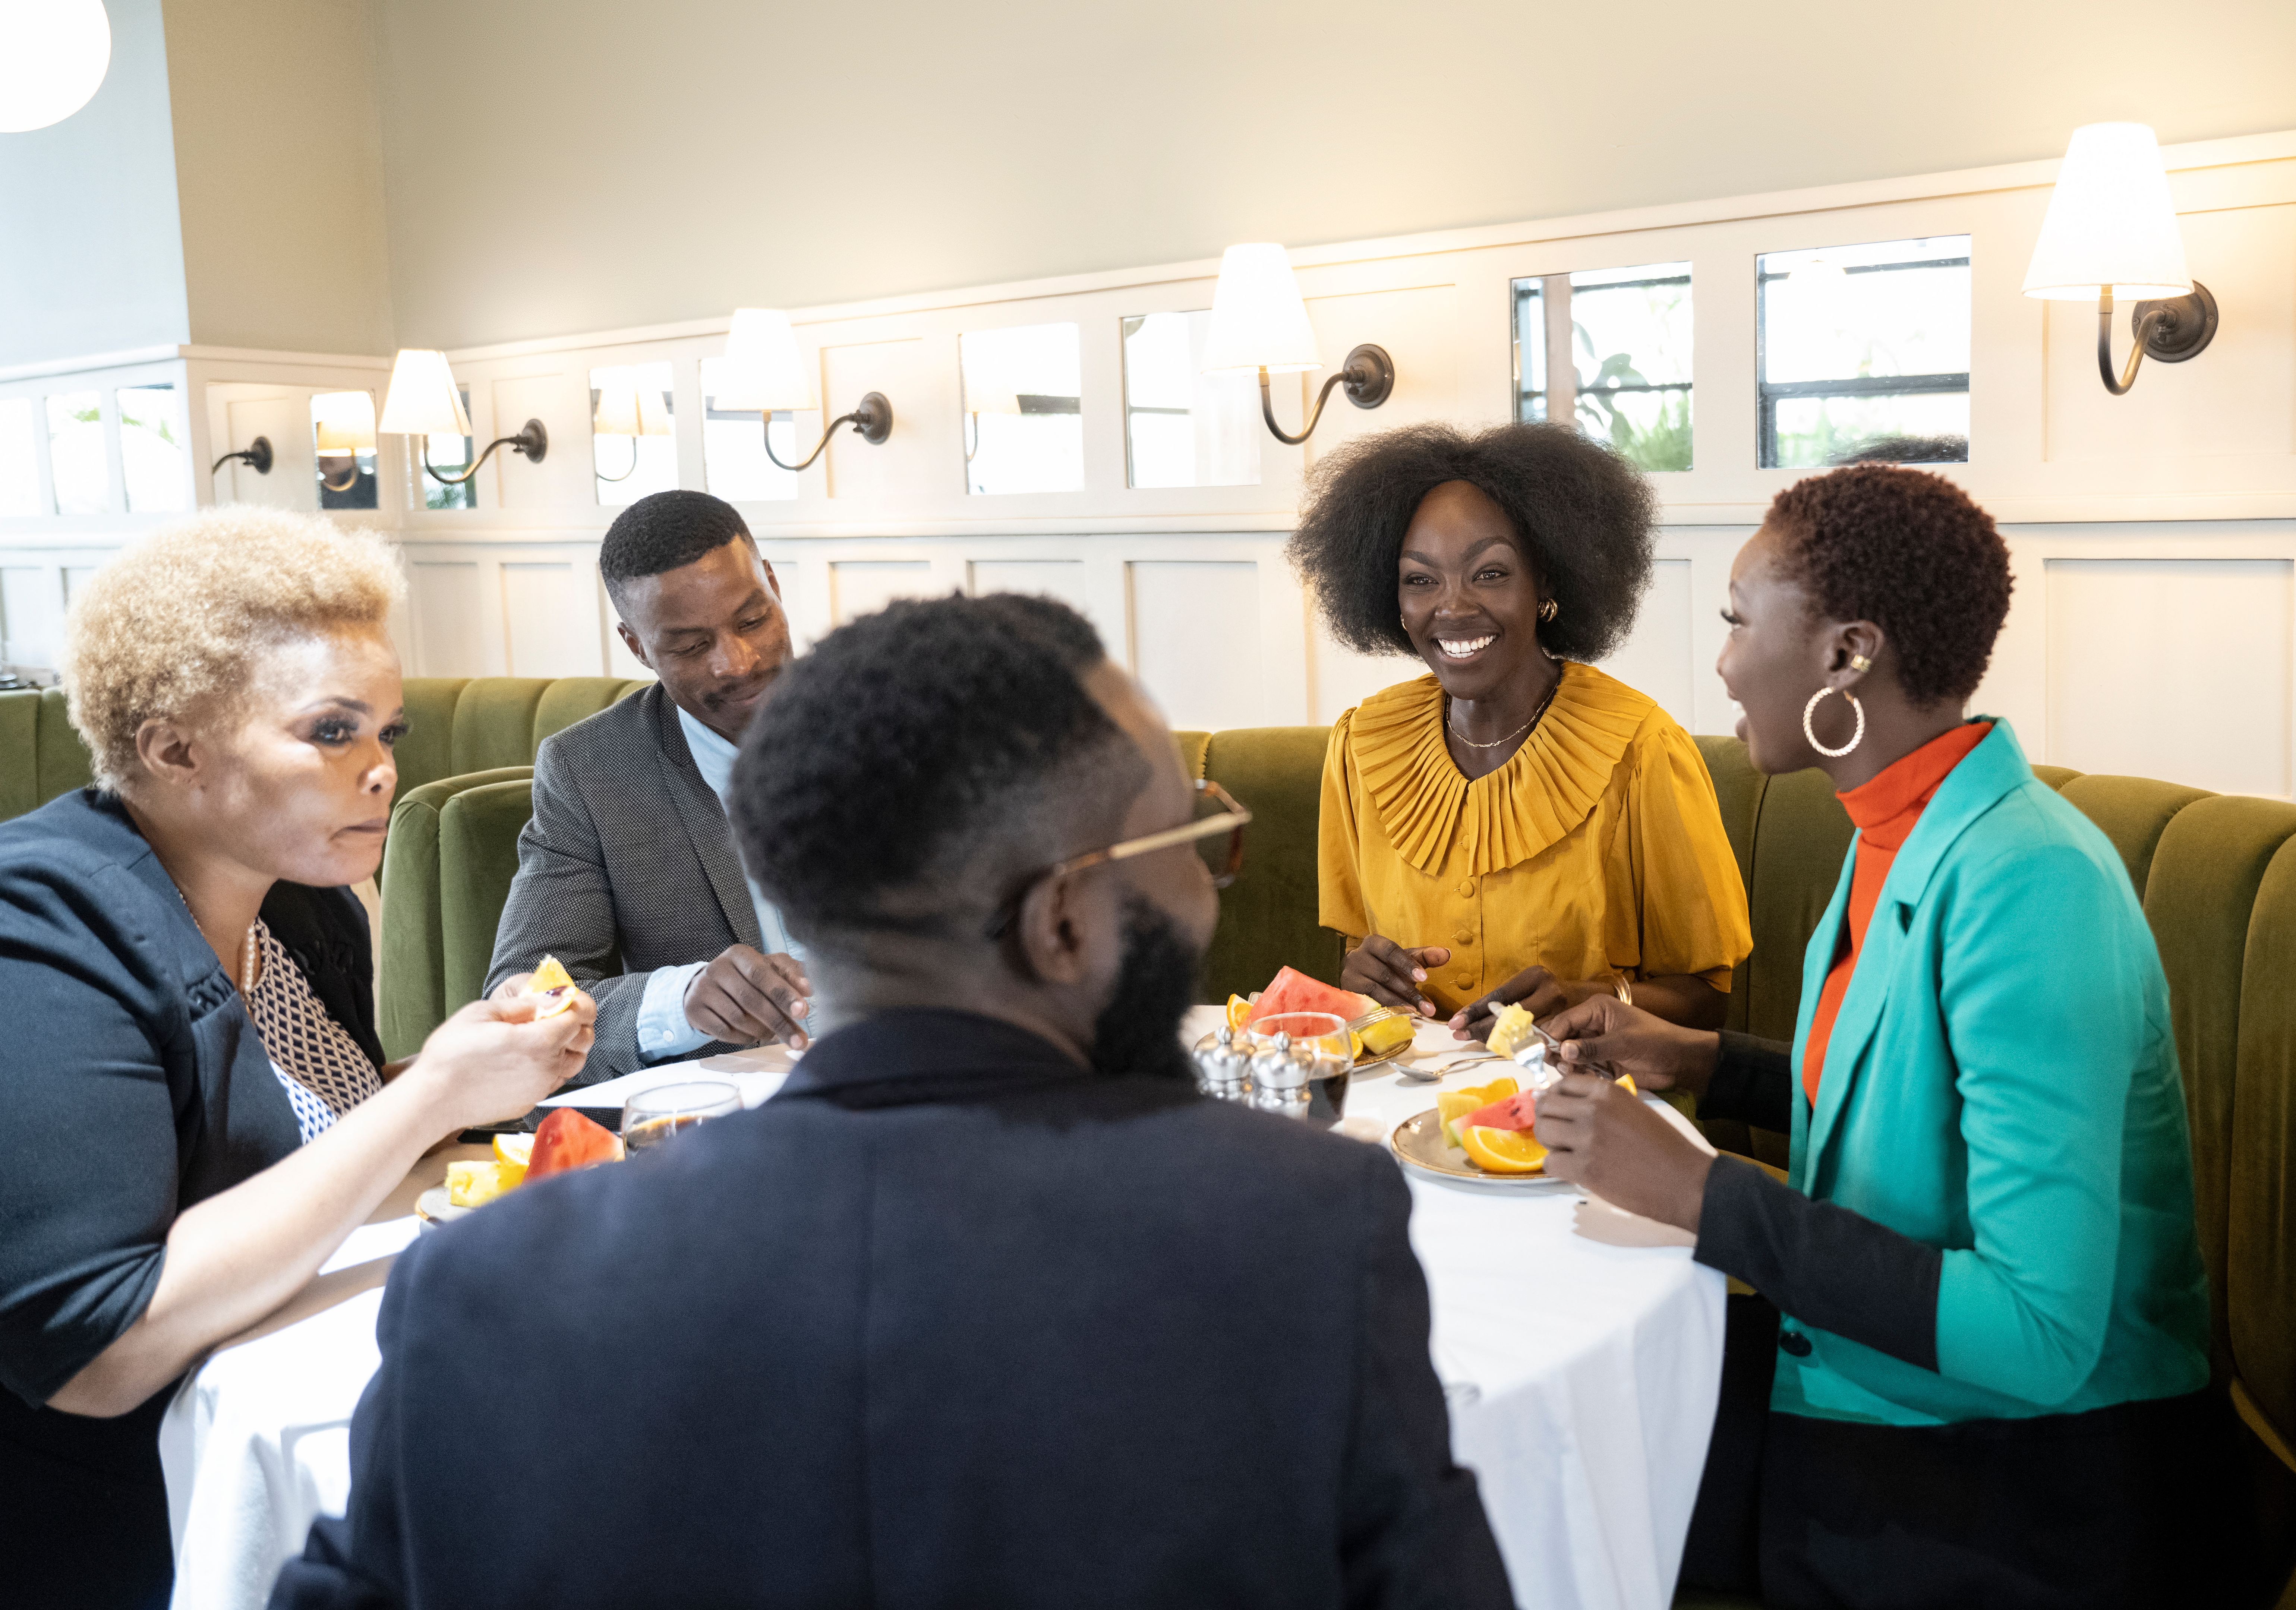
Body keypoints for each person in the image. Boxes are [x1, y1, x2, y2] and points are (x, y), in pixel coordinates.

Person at [272, 593, 1513, 1610]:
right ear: (1065, 917)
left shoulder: (485, 1289)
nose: (1205, 891)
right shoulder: (1300, 1236)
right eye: (1190, 841)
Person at [1528, 464, 2217, 1607]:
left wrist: (1700, 1198)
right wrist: (1693, 1060)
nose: (1724, 660)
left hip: (2025, 1481)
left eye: (1738, 620)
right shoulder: (1898, 826)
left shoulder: (2030, 881)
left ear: (1849, 654)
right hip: (1880, 1384)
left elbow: (2035, 1332)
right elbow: (1900, 1105)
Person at [0, 509, 593, 1610]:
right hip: (130, 1524)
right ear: (174, 750)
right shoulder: (40, 930)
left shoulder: (306, 906)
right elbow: (98, 1351)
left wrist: (486, 1077)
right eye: (332, 732)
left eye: (388, 734)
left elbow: (331, 1142)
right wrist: (430, 1098)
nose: (378, 772)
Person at [1292, 422, 1751, 1035]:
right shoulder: (1360, 746)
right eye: (1420, 580)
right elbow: (1357, 953)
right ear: (1391, 599)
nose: (1453, 607)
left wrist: (1590, 997)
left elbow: (1709, 1001)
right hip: (1413, 1104)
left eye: (1490, 573)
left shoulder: (1640, 750)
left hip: (1592, 1103)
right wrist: (1364, 974)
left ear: (1548, 580)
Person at [485, 489, 814, 1081]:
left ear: (772, 584)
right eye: (690, 646)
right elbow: (527, 999)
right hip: (739, 1119)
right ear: (637, 646)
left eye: (753, 620)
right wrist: (680, 1002)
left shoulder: (896, 716)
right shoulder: (590, 771)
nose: (736, 664)